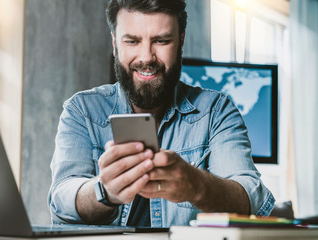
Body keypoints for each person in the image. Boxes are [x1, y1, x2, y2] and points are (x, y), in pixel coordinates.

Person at [48, 0, 275, 227]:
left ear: (181, 41)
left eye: (162, 41)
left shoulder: (217, 111)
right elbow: (62, 203)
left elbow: (253, 203)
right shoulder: (82, 110)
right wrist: (105, 190)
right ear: (115, 43)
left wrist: (197, 186)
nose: (146, 58)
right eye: (132, 41)